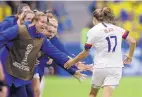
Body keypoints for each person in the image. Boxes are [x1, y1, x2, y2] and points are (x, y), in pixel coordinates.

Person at [0, 12, 86, 97]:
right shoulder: (19, 30)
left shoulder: (42, 39)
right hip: (6, 72)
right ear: (35, 21)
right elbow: (1, 38)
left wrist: (73, 66)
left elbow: (57, 54)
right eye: (42, 22)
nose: (45, 25)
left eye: (46, 23)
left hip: (19, 78)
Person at [64, 7, 136, 97]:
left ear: (94, 19)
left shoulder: (93, 31)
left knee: (93, 94)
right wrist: (130, 56)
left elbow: (85, 53)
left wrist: (72, 62)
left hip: (100, 67)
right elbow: (133, 41)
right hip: (116, 67)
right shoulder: (117, 28)